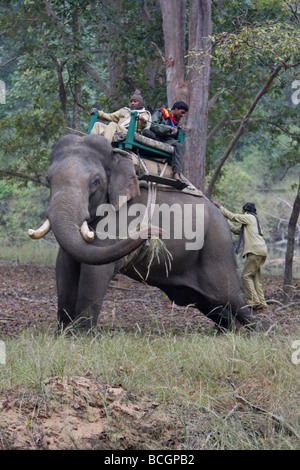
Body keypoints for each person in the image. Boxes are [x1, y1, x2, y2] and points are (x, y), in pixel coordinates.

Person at [211, 201, 268, 310]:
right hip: (262, 250)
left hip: (255, 251)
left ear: (245, 211)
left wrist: (220, 207)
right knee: (256, 277)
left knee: (245, 276)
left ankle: (254, 301)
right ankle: (262, 301)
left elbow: (233, 216)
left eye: (242, 211)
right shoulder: (254, 220)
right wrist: (227, 222)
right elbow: (237, 231)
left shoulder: (249, 217)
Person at [143, 101, 188, 182]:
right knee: (146, 132)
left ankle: (176, 173)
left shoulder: (177, 123)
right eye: (182, 112)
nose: (182, 115)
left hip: (167, 140)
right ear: (176, 109)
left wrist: (181, 131)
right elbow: (153, 125)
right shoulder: (161, 112)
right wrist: (168, 129)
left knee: (179, 146)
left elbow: (175, 138)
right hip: (155, 136)